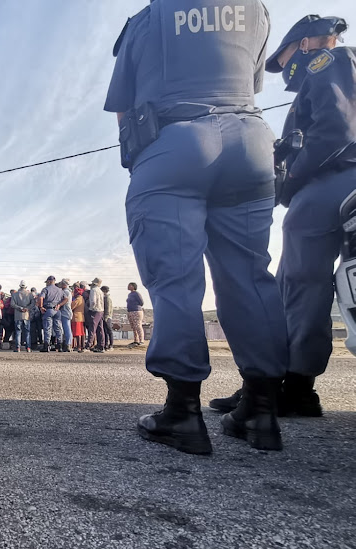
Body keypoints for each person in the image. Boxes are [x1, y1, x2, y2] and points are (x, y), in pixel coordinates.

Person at [104, 0, 288, 455]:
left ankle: (183, 412)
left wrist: (144, 166)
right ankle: (261, 408)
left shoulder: (148, 19)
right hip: (251, 142)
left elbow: (123, 111)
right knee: (248, 275)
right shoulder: (257, 12)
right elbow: (251, 83)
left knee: (176, 280)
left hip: (176, 141)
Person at [211, 15, 354, 419]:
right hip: (334, 177)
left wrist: (288, 180)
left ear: (306, 43)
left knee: (298, 282)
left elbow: (334, 130)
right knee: (297, 281)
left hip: (332, 177)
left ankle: (283, 386)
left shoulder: (332, 61)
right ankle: (283, 384)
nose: (284, 67)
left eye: (285, 55)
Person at [37, 276, 64, 352]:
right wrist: (60, 305)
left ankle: (46, 346)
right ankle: (59, 345)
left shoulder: (46, 289)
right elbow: (66, 298)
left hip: (48, 309)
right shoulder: (60, 290)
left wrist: (41, 307)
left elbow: (41, 298)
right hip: (57, 310)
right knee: (58, 328)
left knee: (47, 328)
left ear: (48, 281)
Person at [11, 281, 35, 352]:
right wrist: (27, 308)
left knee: (18, 332)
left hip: (18, 315)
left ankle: (18, 348)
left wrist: (19, 308)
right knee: (27, 332)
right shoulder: (29, 294)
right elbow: (33, 303)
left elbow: (12, 304)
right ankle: (28, 348)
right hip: (26, 315)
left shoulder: (15, 294)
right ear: (26, 286)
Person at [87, 278, 105, 352]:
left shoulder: (93, 290)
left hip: (94, 310)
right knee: (100, 328)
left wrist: (90, 308)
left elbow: (93, 301)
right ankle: (101, 345)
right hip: (101, 310)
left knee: (92, 328)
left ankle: (88, 345)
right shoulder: (100, 291)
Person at [126, 283, 145, 348]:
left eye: (130, 285)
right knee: (133, 326)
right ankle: (136, 340)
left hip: (136, 311)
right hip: (130, 311)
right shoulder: (129, 294)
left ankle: (141, 340)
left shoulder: (136, 293)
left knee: (138, 325)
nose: (128, 286)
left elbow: (141, 302)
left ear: (134, 287)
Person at [58, 279, 73, 352]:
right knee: (67, 329)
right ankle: (68, 344)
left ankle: (68, 344)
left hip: (65, 312)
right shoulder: (69, 291)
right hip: (67, 311)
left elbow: (64, 301)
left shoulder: (66, 292)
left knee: (67, 329)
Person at [71, 283, 86, 352]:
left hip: (76, 317)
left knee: (77, 333)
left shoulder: (77, 299)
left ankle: (78, 346)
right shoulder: (82, 298)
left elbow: (72, 306)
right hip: (81, 317)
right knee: (81, 333)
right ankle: (82, 345)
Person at [101, 286, 114, 351]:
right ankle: (106, 344)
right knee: (105, 331)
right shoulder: (104, 298)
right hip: (105, 316)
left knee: (109, 331)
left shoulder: (107, 298)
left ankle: (111, 345)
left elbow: (108, 309)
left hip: (107, 317)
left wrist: (106, 317)